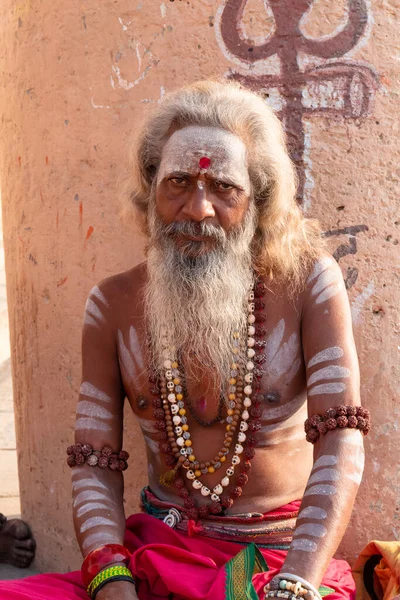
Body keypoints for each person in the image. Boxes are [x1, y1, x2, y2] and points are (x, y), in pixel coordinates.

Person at [0, 80, 370, 600]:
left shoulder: (309, 283)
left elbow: (341, 437)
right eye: (178, 183)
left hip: (277, 563)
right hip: (157, 556)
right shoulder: (111, 305)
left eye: (224, 188)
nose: (198, 209)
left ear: (257, 201)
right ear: (150, 190)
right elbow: (93, 460)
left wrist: (299, 582)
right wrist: (111, 579)